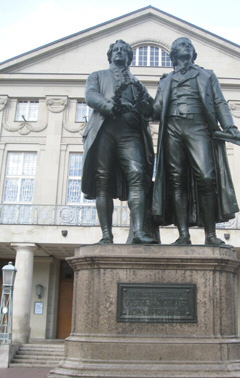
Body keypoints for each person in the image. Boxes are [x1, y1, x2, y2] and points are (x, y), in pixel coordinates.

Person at [152, 37, 240, 246]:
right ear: (173, 54)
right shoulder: (165, 80)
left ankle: (210, 235)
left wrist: (229, 125)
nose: (187, 47)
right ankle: (183, 235)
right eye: (182, 45)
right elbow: (156, 110)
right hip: (173, 128)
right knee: (176, 180)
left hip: (198, 126)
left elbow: (219, 102)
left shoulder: (206, 75)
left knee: (207, 177)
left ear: (193, 53)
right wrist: (137, 105)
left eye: (189, 45)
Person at [81, 40, 157, 244]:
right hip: (104, 129)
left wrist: (145, 105)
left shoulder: (137, 83)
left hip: (130, 132)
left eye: (123, 50)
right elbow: (90, 96)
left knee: (137, 175)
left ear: (129, 57)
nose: (119, 52)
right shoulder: (97, 75)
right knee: (102, 180)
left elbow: (151, 111)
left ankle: (139, 232)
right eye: (115, 50)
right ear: (110, 55)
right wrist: (109, 106)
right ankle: (106, 234)